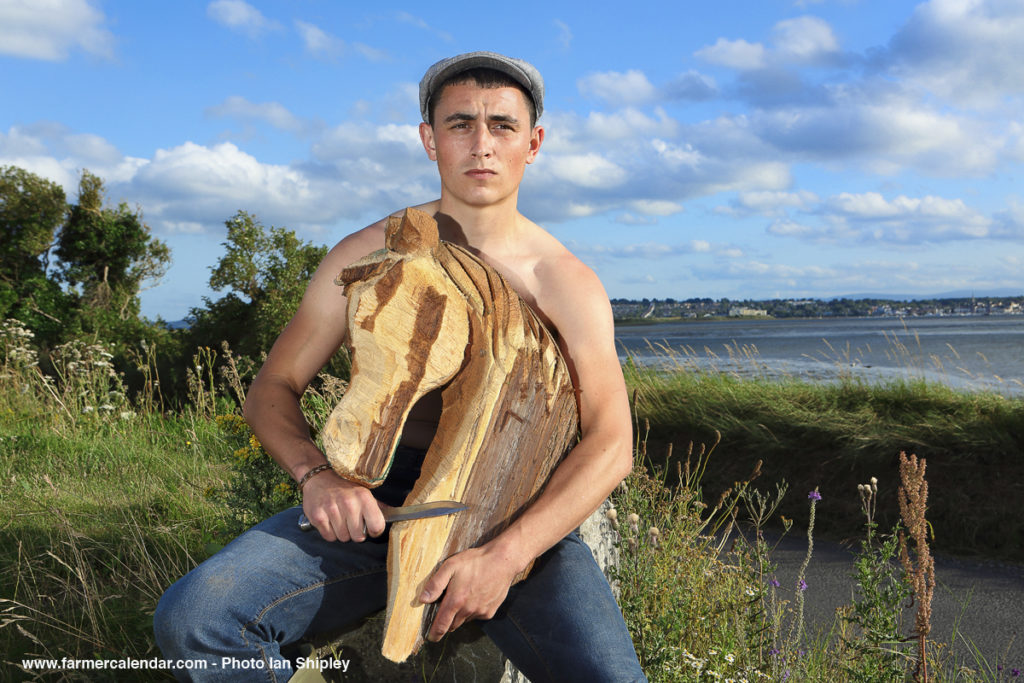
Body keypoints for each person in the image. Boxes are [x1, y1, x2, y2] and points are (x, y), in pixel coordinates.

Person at [154, 51, 646, 683]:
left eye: (502, 125)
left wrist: (506, 555)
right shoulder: (369, 256)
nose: (482, 145)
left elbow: (612, 442)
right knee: (196, 620)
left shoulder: (562, 281)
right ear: (428, 138)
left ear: (534, 142)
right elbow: (272, 387)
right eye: (459, 123)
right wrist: (316, 478)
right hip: (381, 499)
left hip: (513, 504)